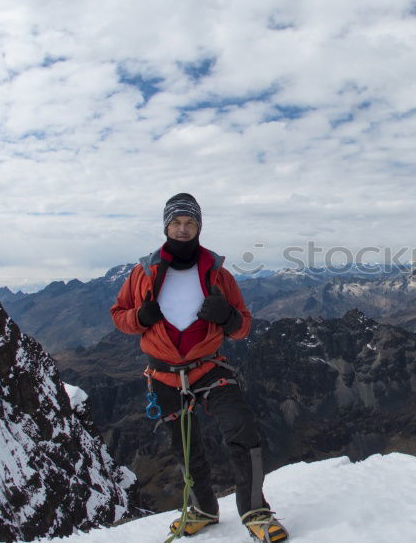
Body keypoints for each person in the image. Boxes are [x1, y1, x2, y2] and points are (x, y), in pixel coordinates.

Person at [110, 193, 288, 541]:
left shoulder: (218, 273)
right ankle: (204, 509)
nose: (182, 229)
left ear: (199, 226)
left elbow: (243, 326)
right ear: (166, 226)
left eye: (189, 222)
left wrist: (228, 316)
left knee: (240, 427)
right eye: (176, 222)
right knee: (184, 445)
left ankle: (255, 511)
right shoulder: (142, 273)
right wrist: (139, 317)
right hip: (163, 373)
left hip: (208, 366)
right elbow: (119, 316)